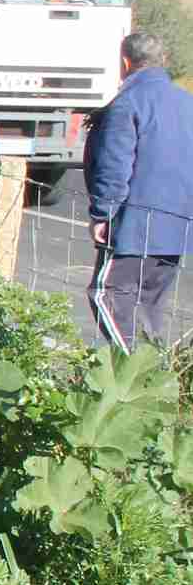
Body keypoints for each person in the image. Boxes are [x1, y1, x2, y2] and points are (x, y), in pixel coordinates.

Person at [85, 32, 193, 350]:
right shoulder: (187, 103)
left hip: (134, 223)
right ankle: (153, 379)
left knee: (106, 294)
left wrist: (102, 214)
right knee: (147, 307)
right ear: (166, 62)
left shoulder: (128, 103)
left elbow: (115, 165)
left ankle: (131, 371)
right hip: (178, 225)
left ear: (125, 63)